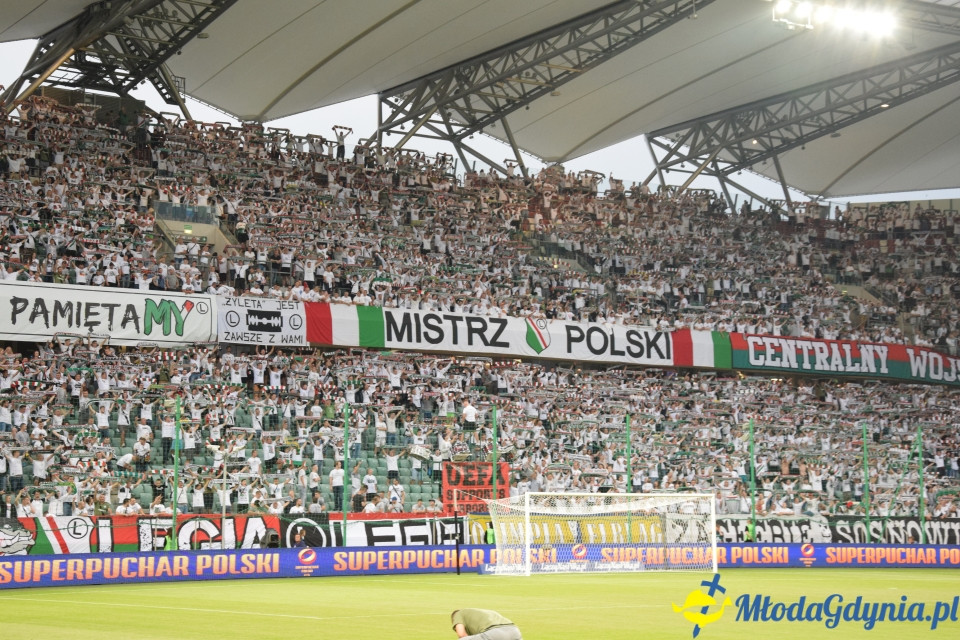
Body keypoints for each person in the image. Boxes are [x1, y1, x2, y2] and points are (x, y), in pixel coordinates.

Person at [450, 609, 522, 639]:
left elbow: (462, 634)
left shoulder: (458, 614)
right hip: (514, 631)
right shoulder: (479, 613)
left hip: (495, 633)